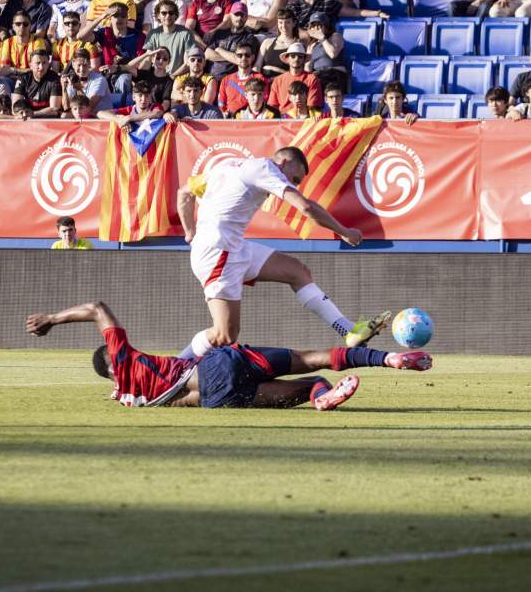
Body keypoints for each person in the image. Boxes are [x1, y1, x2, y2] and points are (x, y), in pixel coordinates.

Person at [176, 146, 390, 359]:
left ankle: (349, 330)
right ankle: (170, 371)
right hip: (218, 254)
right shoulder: (266, 169)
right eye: (295, 178)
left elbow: (184, 193)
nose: (293, 184)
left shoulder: (227, 165)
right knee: (224, 335)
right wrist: (344, 232)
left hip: (233, 247)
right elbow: (305, 207)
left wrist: (190, 233)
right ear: (284, 162)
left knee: (298, 271)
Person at [25, 301, 431, 410]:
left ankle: (319, 395)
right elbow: (97, 308)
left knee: (306, 388)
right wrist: (52, 319)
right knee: (313, 358)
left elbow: (186, 395)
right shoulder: (126, 359)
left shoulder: (128, 396)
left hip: (220, 399)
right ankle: (387, 360)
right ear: (113, 361)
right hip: (220, 364)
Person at [81, 2, 142, 107]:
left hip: (128, 75)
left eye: (123, 16)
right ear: (109, 18)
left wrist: (118, 68)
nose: (120, 19)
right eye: (116, 16)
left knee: (124, 78)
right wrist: (101, 17)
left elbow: (140, 66)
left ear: (127, 18)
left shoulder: (137, 36)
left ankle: (123, 110)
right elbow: (81, 36)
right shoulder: (104, 33)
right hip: (106, 76)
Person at [288, 0, 387, 38]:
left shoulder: (327, 2)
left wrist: (377, 13)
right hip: (302, 39)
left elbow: (355, 12)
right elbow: (288, 25)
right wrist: (305, 34)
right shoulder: (294, 5)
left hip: (321, 39)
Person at [204, 0, 259, 79]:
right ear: (230, 15)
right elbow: (207, 54)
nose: (239, 18)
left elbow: (243, 60)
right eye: (236, 14)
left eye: (242, 15)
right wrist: (232, 57)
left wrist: (219, 50)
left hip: (232, 80)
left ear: (246, 17)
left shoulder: (250, 38)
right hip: (211, 78)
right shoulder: (219, 33)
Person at [142, 0, 199, 73]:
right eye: (164, 13)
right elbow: (148, 59)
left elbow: (187, 64)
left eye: (171, 13)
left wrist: (173, 77)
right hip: (157, 77)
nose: (168, 15)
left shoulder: (186, 33)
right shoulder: (153, 34)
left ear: (176, 15)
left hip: (177, 78)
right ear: (158, 15)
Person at [267, 41, 322, 113]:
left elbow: (313, 106)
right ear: (287, 58)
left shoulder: (312, 79)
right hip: (282, 119)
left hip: (304, 119)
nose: (296, 59)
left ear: (304, 59)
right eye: (293, 56)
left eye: (300, 56)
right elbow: (272, 106)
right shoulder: (278, 80)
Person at [217, 40, 268, 116]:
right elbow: (221, 104)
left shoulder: (260, 78)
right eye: (239, 55)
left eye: (247, 55)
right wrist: (223, 113)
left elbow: (264, 101)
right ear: (235, 57)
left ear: (253, 57)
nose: (243, 58)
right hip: (231, 120)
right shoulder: (226, 80)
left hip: (252, 119)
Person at [0, 11, 53, 78]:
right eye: (18, 24)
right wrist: (25, 72)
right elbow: (4, 70)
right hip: (12, 79)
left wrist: (14, 70)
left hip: (31, 79)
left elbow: (39, 69)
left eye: (25, 24)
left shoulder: (37, 42)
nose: (22, 26)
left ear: (30, 26)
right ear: (13, 26)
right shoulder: (8, 42)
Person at [12, 49, 63, 116]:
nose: (41, 67)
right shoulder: (23, 79)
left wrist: (33, 114)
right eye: (38, 63)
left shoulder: (55, 79)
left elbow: (55, 110)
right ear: (30, 65)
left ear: (48, 64)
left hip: (48, 120)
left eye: (44, 63)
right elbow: (15, 109)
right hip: (26, 120)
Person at [304, 11, 346, 92]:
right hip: (317, 76)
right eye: (313, 26)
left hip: (334, 75)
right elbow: (307, 69)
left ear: (326, 26)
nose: (316, 28)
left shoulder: (335, 36)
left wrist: (322, 38)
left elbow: (333, 54)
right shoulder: (311, 45)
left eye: (319, 25)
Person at [96, 78, 163, 128]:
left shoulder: (155, 106)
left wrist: (129, 118)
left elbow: (157, 113)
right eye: (140, 95)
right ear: (133, 97)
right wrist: (119, 119)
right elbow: (100, 113)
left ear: (150, 97)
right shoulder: (129, 110)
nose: (143, 99)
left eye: (147, 96)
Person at [61, 47, 108, 112]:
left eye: (85, 65)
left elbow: (88, 108)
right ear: (73, 64)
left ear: (89, 64)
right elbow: (66, 108)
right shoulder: (71, 79)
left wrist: (78, 89)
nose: (82, 69)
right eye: (79, 65)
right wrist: (64, 89)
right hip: (83, 116)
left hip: (100, 117)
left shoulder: (100, 80)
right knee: (64, 115)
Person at [257, 8, 299, 78]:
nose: (284, 26)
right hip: (264, 82)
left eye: (288, 22)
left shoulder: (297, 45)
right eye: (280, 22)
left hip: (284, 82)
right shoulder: (267, 42)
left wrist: (276, 71)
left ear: (294, 23)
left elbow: (297, 72)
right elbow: (257, 66)